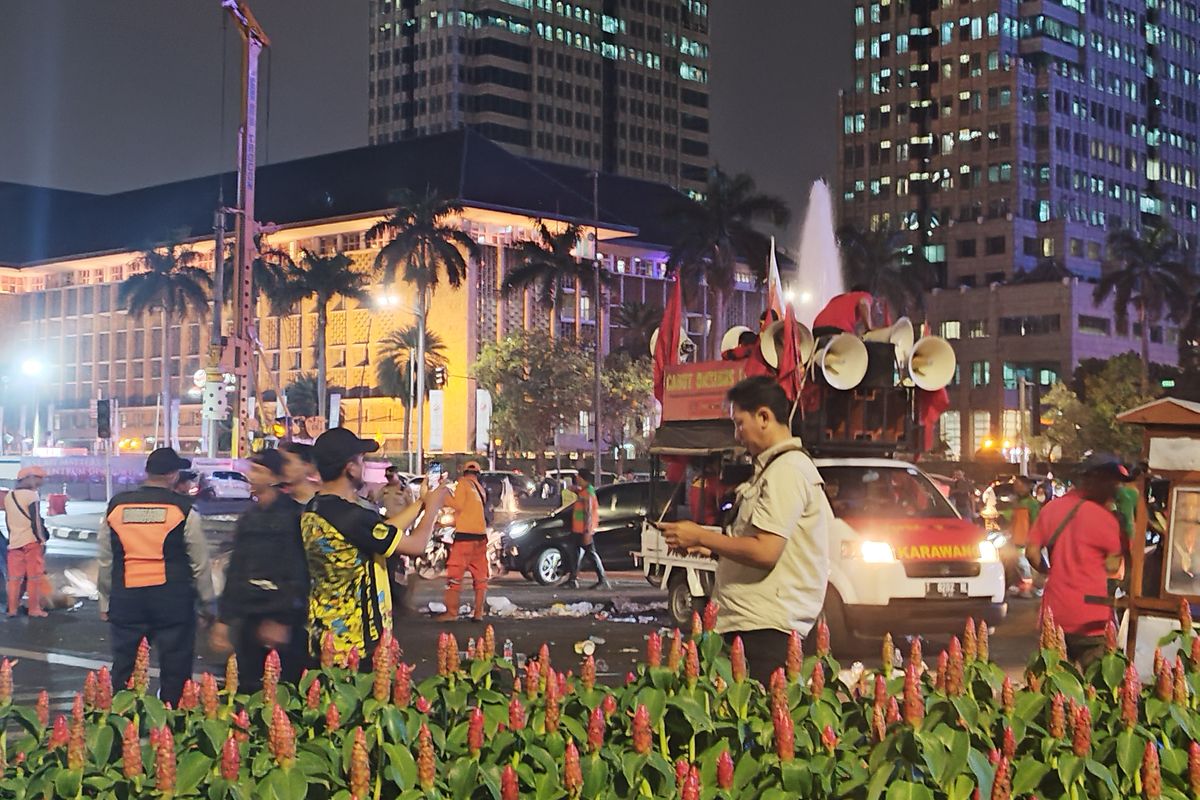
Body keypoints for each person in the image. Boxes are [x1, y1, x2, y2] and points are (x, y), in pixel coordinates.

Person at [660, 376, 831, 682]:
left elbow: (766, 550)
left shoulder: (787, 471)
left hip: (767, 632)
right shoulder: (774, 469)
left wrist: (703, 536)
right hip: (751, 625)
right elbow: (756, 543)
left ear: (764, 417)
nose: (738, 435)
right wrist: (712, 546)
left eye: (740, 423)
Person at [303, 428, 447, 663]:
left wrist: (422, 501)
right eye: (362, 460)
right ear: (350, 467)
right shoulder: (351, 517)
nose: (364, 466)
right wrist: (434, 505)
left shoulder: (316, 508)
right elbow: (417, 545)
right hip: (357, 646)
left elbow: (382, 531)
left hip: (323, 638)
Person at [97, 448, 215, 705]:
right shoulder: (184, 510)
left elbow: (106, 560)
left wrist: (105, 601)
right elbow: (199, 564)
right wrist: (207, 603)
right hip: (172, 602)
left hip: (127, 600)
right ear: (173, 475)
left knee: (125, 668)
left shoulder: (116, 507)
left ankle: (124, 723)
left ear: (147, 472)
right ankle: (171, 726)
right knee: (176, 668)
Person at [210, 449, 309, 692]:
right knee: (248, 691)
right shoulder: (250, 517)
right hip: (249, 619)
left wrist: (282, 620)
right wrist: (223, 620)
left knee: (283, 693)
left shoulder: (293, 516)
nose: (250, 476)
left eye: (257, 470)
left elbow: (298, 571)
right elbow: (236, 570)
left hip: (280, 623)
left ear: (274, 477)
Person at [1025, 453, 1128, 667]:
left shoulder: (1052, 509)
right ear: (1101, 482)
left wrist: (1050, 570)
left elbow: (1032, 553)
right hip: (1093, 619)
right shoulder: (1106, 519)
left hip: (1055, 613)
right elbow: (1113, 566)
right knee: (1098, 688)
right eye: (1114, 484)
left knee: (1056, 686)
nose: (1116, 489)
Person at [435, 461, 491, 622]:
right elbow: (470, 511)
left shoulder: (463, 484)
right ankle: (478, 613)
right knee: (480, 578)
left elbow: (457, 505)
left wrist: (444, 494)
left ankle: (451, 613)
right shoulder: (479, 489)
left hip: (465, 537)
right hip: (480, 537)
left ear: (463, 472)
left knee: (454, 575)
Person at [5, 466, 49, 617]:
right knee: (34, 577)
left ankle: (12, 609)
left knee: (14, 578)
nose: (42, 481)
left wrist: (12, 538)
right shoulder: (32, 496)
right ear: (31, 479)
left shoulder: (9, 496)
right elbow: (36, 522)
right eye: (39, 478)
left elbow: (8, 521)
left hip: (14, 543)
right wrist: (42, 540)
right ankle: (34, 609)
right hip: (31, 542)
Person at [564, 468, 612, 590]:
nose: (576, 479)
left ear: (582, 478)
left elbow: (588, 512)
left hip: (584, 530)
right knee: (576, 554)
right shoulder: (584, 491)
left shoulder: (588, 492)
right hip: (578, 529)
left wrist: (587, 531)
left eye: (578, 477)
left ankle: (603, 580)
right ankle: (572, 579)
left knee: (591, 553)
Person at [1005, 475, 1041, 599]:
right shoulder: (1016, 503)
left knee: (1024, 566)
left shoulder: (1032, 504)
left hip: (1025, 540)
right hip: (1016, 539)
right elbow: (1011, 519)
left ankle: (1027, 589)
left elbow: (1036, 522)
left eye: (1019, 485)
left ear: (1027, 487)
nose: (1016, 488)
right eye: (1015, 485)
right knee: (1018, 565)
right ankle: (1024, 588)